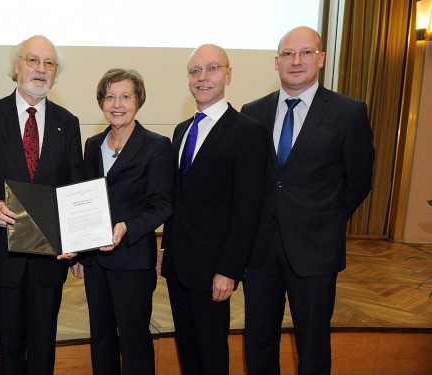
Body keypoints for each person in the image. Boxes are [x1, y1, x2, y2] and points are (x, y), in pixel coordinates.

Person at [240, 26, 375, 375]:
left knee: (312, 347)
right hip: (260, 251)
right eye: (287, 53)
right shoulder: (252, 112)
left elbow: (359, 180)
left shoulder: (348, 112)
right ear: (276, 62)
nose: (295, 61)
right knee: (258, 342)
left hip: (315, 250)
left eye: (305, 52)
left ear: (321, 58)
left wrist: (324, 218)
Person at [0, 35, 82, 375]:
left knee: (43, 344)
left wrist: (76, 240)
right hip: (4, 257)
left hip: (50, 260)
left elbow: (74, 188)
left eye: (50, 64)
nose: (41, 69)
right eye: (33, 60)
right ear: (17, 65)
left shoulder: (68, 122)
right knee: (8, 344)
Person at [159, 44, 269, 375]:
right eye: (195, 71)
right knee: (188, 349)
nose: (202, 77)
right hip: (179, 263)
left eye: (212, 69)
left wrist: (229, 270)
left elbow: (248, 209)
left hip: (214, 269)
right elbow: (176, 199)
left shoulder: (249, 132)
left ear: (228, 74)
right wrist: (165, 246)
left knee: (211, 353)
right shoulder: (181, 130)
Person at [72, 68, 173, 374]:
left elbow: (162, 205)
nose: (117, 104)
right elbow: (83, 198)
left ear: (138, 100)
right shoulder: (92, 144)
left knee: (134, 342)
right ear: (101, 102)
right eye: (110, 96)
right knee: (101, 338)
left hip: (132, 259)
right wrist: (79, 248)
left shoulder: (156, 145)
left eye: (125, 96)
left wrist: (128, 226)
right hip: (96, 262)